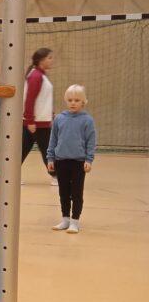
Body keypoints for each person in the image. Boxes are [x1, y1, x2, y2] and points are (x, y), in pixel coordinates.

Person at [47, 84, 96, 235]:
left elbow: (91, 141)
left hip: (78, 163)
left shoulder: (87, 120)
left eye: (77, 100)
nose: (73, 103)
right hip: (61, 161)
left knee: (76, 193)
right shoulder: (59, 119)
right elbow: (53, 139)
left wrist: (89, 160)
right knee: (63, 192)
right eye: (70, 100)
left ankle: (75, 221)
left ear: (83, 102)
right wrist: (50, 158)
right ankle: (65, 219)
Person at [22, 47, 55, 181]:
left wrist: (51, 114)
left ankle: (9, 175)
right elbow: (30, 99)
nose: (52, 60)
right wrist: (30, 120)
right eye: (49, 58)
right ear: (41, 60)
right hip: (36, 124)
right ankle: (56, 176)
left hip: (40, 122)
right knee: (49, 150)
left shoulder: (40, 75)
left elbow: (43, 99)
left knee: (22, 151)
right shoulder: (36, 76)